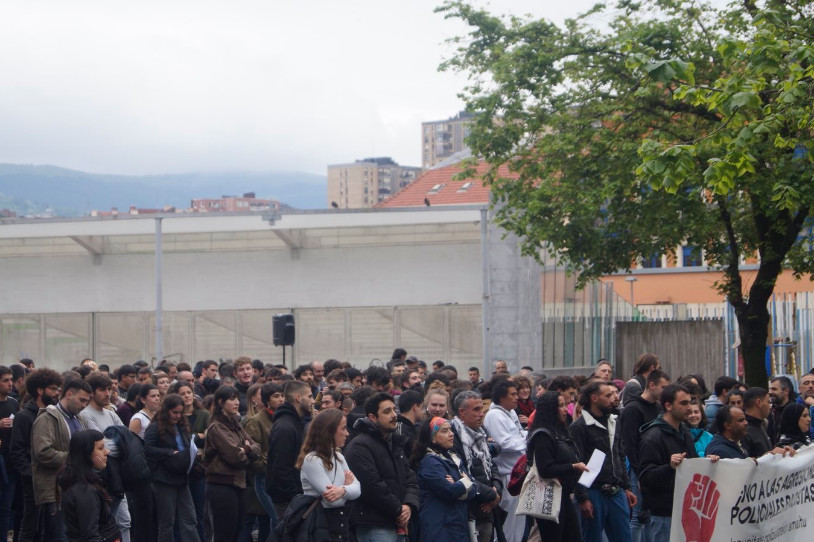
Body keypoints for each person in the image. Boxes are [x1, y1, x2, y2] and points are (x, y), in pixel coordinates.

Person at [638, 385, 717, 542]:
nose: (689, 408)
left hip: (685, 511)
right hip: (664, 515)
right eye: (683, 403)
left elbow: (692, 463)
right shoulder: (653, 437)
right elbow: (645, 477)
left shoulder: (684, 432)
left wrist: (707, 462)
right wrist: (669, 467)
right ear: (668, 406)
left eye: (689, 402)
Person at [344, 392, 419, 542]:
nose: (394, 415)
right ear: (372, 417)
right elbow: (371, 486)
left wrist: (409, 505)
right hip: (374, 524)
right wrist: (398, 510)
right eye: (387, 411)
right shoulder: (360, 446)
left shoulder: (394, 443)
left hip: (399, 523)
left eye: (394, 410)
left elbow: (410, 478)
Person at [570, 380, 635, 542]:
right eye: (608, 395)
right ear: (594, 398)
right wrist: (583, 497)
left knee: (624, 537)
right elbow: (577, 462)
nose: (613, 398)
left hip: (616, 490)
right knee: (592, 537)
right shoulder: (579, 427)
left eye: (613, 394)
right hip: (593, 491)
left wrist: (626, 487)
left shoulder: (614, 421)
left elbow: (619, 455)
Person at [31, 377, 92, 541]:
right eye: (82, 400)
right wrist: (75, 458)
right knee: (59, 536)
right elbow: (43, 452)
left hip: (77, 488)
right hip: (55, 491)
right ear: (69, 394)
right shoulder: (47, 418)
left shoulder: (79, 419)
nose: (84, 405)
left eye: (87, 402)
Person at [10, 368, 62, 542]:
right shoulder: (24, 416)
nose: (56, 393)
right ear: (40, 390)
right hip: (32, 482)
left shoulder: (52, 414)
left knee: (49, 526)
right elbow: (16, 452)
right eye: (52, 389)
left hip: (52, 479)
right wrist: (31, 475)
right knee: (30, 526)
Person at [204, 385, 261, 542]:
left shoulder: (235, 424)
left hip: (238, 483)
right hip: (222, 484)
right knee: (224, 533)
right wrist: (246, 449)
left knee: (236, 532)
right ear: (221, 402)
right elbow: (236, 457)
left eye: (237, 398)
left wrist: (246, 449)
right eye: (231, 399)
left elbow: (257, 448)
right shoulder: (217, 427)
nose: (237, 402)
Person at [78, 373, 131, 542]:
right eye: (102, 390)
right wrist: (118, 445)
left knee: (125, 521)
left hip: (117, 475)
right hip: (102, 476)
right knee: (106, 524)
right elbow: (101, 447)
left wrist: (117, 445)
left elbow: (127, 439)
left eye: (109, 389)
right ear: (92, 392)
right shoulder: (86, 415)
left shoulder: (111, 413)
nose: (107, 393)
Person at [528, 391, 587, 541]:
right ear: (550, 409)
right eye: (561, 406)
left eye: (565, 405)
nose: (566, 409)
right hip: (549, 496)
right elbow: (545, 469)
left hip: (564, 495)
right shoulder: (543, 435)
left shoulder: (560, 431)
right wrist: (573, 467)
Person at [619, 368, 669, 542]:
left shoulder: (658, 407)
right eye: (663, 387)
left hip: (653, 466)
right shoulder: (633, 409)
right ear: (652, 385)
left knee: (649, 514)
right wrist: (640, 472)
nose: (665, 392)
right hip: (638, 468)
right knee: (638, 516)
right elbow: (630, 445)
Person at [297, 409, 361, 541]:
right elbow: (333, 501)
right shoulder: (312, 460)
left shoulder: (339, 457)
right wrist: (348, 488)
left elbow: (358, 490)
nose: (347, 433)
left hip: (340, 524)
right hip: (320, 525)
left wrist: (343, 490)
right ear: (329, 431)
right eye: (343, 429)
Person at [143, 394, 199, 542]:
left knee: (189, 518)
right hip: (164, 479)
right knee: (167, 522)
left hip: (181, 477)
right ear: (166, 410)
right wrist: (169, 453)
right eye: (174, 412)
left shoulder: (182, 426)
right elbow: (148, 449)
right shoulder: (155, 427)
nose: (178, 416)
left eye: (180, 412)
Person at [411, 417, 478, 542]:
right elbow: (449, 491)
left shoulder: (454, 458)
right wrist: (464, 482)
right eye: (444, 431)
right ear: (433, 438)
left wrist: (459, 485)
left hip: (457, 526)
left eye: (450, 430)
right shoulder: (429, 462)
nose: (451, 434)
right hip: (440, 529)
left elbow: (474, 488)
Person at [450, 390, 502, 542]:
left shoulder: (480, 431)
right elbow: (460, 473)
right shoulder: (452, 435)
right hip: (468, 510)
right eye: (476, 410)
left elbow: (491, 464)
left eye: (482, 409)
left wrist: (497, 489)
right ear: (462, 412)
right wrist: (491, 495)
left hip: (486, 508)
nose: (481, 414)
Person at [57, 429, 121, 542]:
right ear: (86, 453)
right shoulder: (85, 490)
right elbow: (90, 535)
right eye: (100, 448)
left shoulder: (88, 482)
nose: (107, 452)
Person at [482, 379, 527, 542]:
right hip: (506, 475)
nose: (517, 397)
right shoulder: (495, 415)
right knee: (507, 524)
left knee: (518, 521)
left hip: (518, 474)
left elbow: (520, 434)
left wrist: (526, 436)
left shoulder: (511, 412)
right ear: (502, 397)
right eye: (513, 394)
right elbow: (504, 443)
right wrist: (526, 441)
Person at [242, 383, 282, 542]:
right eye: (276, 396)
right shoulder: (255, 422)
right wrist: (266, 464)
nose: (281, 399)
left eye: (282, 395)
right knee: (278, 519)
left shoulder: (281, 418)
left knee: (274, 520)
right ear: (266, 401)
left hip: (278, 476)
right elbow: (252, 454)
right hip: (263, 477)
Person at [266, 380, 312, 519]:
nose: (312, 401)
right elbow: (281, 467)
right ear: (298, 398)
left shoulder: (295, 422)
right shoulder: (285, 427)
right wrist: (295, 495)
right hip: (287, 498)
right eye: (309, 396)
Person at [170, 381, 208, 541]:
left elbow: (209, 437)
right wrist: (197, 436)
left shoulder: (203, 414)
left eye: (189, 392)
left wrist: (199, 438)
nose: (186, 396)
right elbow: (178, 440)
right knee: (180, 512)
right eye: (182, 393)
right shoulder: (175, 417)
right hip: (180, 467)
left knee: (199, 511)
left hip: (198, 468)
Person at [0, 365, 21, 541]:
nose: (10, 384)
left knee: (6, 508)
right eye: (5, 380)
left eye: (11, 380)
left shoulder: (13, 402)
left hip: (10, 464)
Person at [741, 387, 773, 458]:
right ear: (759, 403)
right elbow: (745, 460)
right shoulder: (744, 430)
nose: (770, 406)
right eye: (768, 402)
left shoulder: (761, 424)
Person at [395, 390, 423, 455]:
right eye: (422, 407)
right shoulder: (399, 429)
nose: (422, 411)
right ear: (415, 407)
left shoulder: (415, 427)